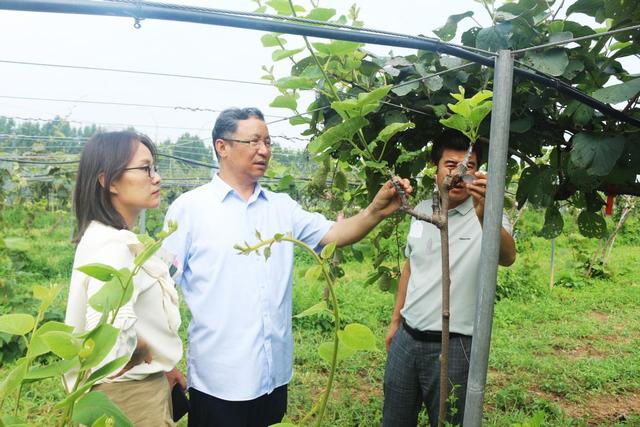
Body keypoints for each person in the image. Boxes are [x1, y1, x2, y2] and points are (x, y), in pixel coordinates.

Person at [162, 107, 412, 427]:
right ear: (221, 146)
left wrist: (375, 211)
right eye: (254, 141)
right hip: (217, 382)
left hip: (273, 378)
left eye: (268, 142)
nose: (264, 150)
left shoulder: (282, 208)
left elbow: (335, 233)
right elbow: (161, 286)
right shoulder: (189, 209)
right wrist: (163, 361)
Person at [382, 131, 516, 427]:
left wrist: (485, 215)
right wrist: (395, 322)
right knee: (394, 418)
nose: (459, 173)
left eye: (469, 166)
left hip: (455, 345)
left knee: (450, 421)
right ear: (436, 169)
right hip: (407, 338)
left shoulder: (488, 213)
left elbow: (507, 257)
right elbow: (410, 267)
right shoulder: (420, 211)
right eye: (450, 164)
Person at [65, 131, 185, 426]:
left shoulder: (109, 238)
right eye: (145, 168)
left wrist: (162, 366)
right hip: (130, 396)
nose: (155, 177)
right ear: (109, 181)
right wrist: (147, 354)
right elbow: (110, 333)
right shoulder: (113, 246)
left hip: (131, 390)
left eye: (154, 168)